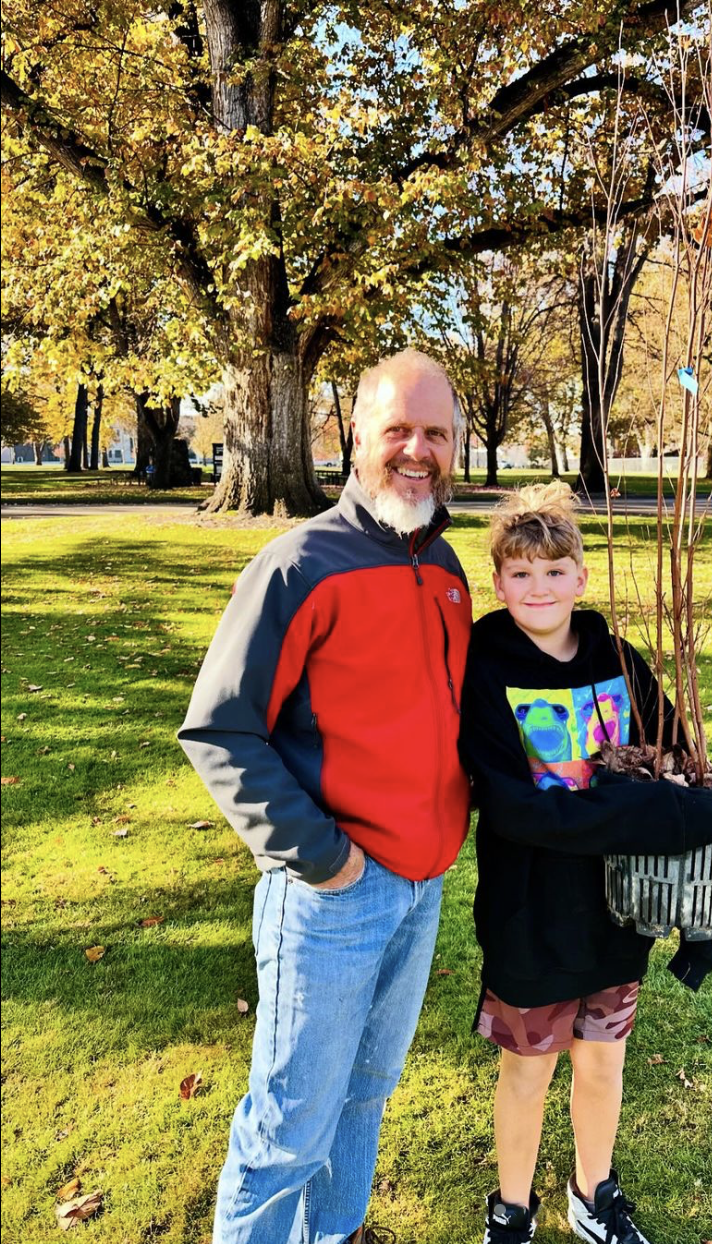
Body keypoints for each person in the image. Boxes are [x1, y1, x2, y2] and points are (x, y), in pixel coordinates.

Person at [178, 349, 472, 1244]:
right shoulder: (298, 565)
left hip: (421, 894)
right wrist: (328, 861)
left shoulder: (451, 568)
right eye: (398, 431)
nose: (417, 450)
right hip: (331, 897)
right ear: (357, 439)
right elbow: (221, 732)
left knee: (364, 1100)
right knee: (289, 1129)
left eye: (437, 433)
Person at [459, 484, 712, 1244]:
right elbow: (514, 805)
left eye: (555, 572)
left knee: (603, 1062)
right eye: (520, 573)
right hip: (531, 911)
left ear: (581, 577)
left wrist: (701, 855)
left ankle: (593, 1194)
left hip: (619, 905)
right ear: (499, 583)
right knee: (528, 1069)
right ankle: (511, 1211)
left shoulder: (619, 659)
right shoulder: (485, 666)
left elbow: (676, 761)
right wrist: (635, 813)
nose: (539, 588)